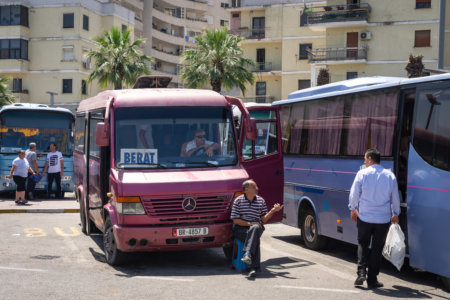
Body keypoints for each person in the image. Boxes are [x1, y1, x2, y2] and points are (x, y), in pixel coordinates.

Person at [348, 148, 401, 289]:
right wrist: (395, 213)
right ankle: (372, 280)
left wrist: (353, 209)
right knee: (377, 249)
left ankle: (360, 274)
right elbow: (395, 197)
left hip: (364, 217)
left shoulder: (362, 174)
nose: (364, 162)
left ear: (370, 159)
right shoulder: (390, 176)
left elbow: (354, 194)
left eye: (365, 159)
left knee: (362, 244)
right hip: (383, 220)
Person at [231, 179, 283, 277]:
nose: (257, 189)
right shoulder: (238, 201)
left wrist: (272, 211)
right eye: (254, 187)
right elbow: (235, 220)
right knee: (254, 236)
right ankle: (253, 266)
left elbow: (263, 219)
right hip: (241, 229)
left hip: (256, 227)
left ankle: (247, 254)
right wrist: (250, 223)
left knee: (255, 228)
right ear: (246, 190)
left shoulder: (260, 200)